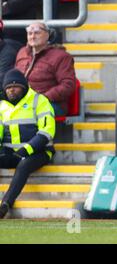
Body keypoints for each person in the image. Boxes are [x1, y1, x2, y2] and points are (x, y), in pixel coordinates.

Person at [0, 68, 55, 219]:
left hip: (39, 152)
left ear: (24, 87)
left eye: (15, 87)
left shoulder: (39, 100)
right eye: (8, 87)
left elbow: (47, 131)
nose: (11, 90)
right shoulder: (2, 106)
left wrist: (24, 151)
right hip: (13, 153)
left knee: (23, 166)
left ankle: (5, 204)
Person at [15, 22, 76, 116]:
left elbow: (68, 85)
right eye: (30, 33)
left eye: (37, 33)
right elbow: (14, 79)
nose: (33, 36)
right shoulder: (22, 52)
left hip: (51, 103)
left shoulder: (61, 56)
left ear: (47, 35)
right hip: (23, 102)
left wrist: (42, 98)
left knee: (24, 114)